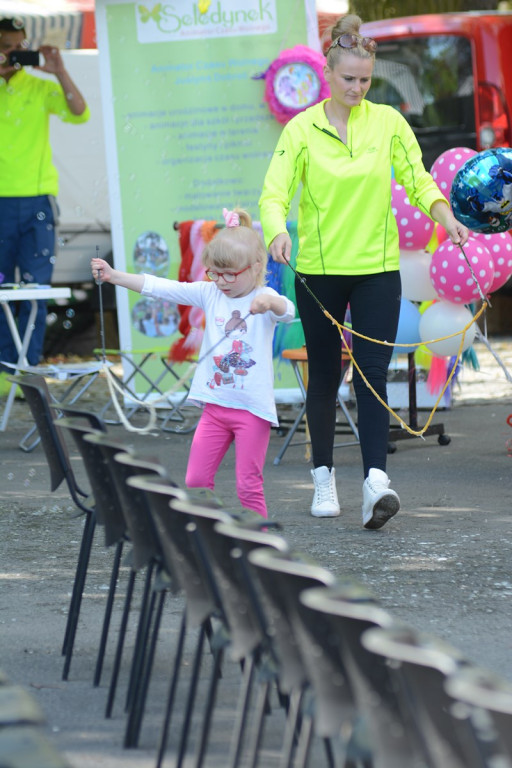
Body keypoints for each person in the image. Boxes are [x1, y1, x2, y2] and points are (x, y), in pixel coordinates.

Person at [259, 13, 469, 529]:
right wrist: (276, 233)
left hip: (376, 269)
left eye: (365, 80)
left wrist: (447, 216)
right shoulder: (300, 129)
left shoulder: (389, 123)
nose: (357, 88)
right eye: (348, 78)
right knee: (326, 376)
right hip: (319, 272)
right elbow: (273, 192)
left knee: (374, 377)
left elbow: (419, 181)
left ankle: (376, 482)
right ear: (328, 74)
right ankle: (324, 476)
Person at [91, 208, 295, 518]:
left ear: (254, 269)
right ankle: (210, 535)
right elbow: (161, 287)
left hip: (251, 410)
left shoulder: (264, 296)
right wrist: (113, 275)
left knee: (248, 485)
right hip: (214, 407)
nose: (222, 281)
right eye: (215, 272)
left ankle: (262, 546)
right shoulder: (210, 292)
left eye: (230, 274)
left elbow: (288, 311)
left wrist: (270, 301)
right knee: (196, 480)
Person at [0, 16, 90, 380]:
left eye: (19, 45)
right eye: (6, 45)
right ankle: (6, 372)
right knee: (3, 291)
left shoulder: (38, 86)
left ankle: (28, 371)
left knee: (34, 291)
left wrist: (59, 71)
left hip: (37, 203)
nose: (14, 52)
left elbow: (79, 112)